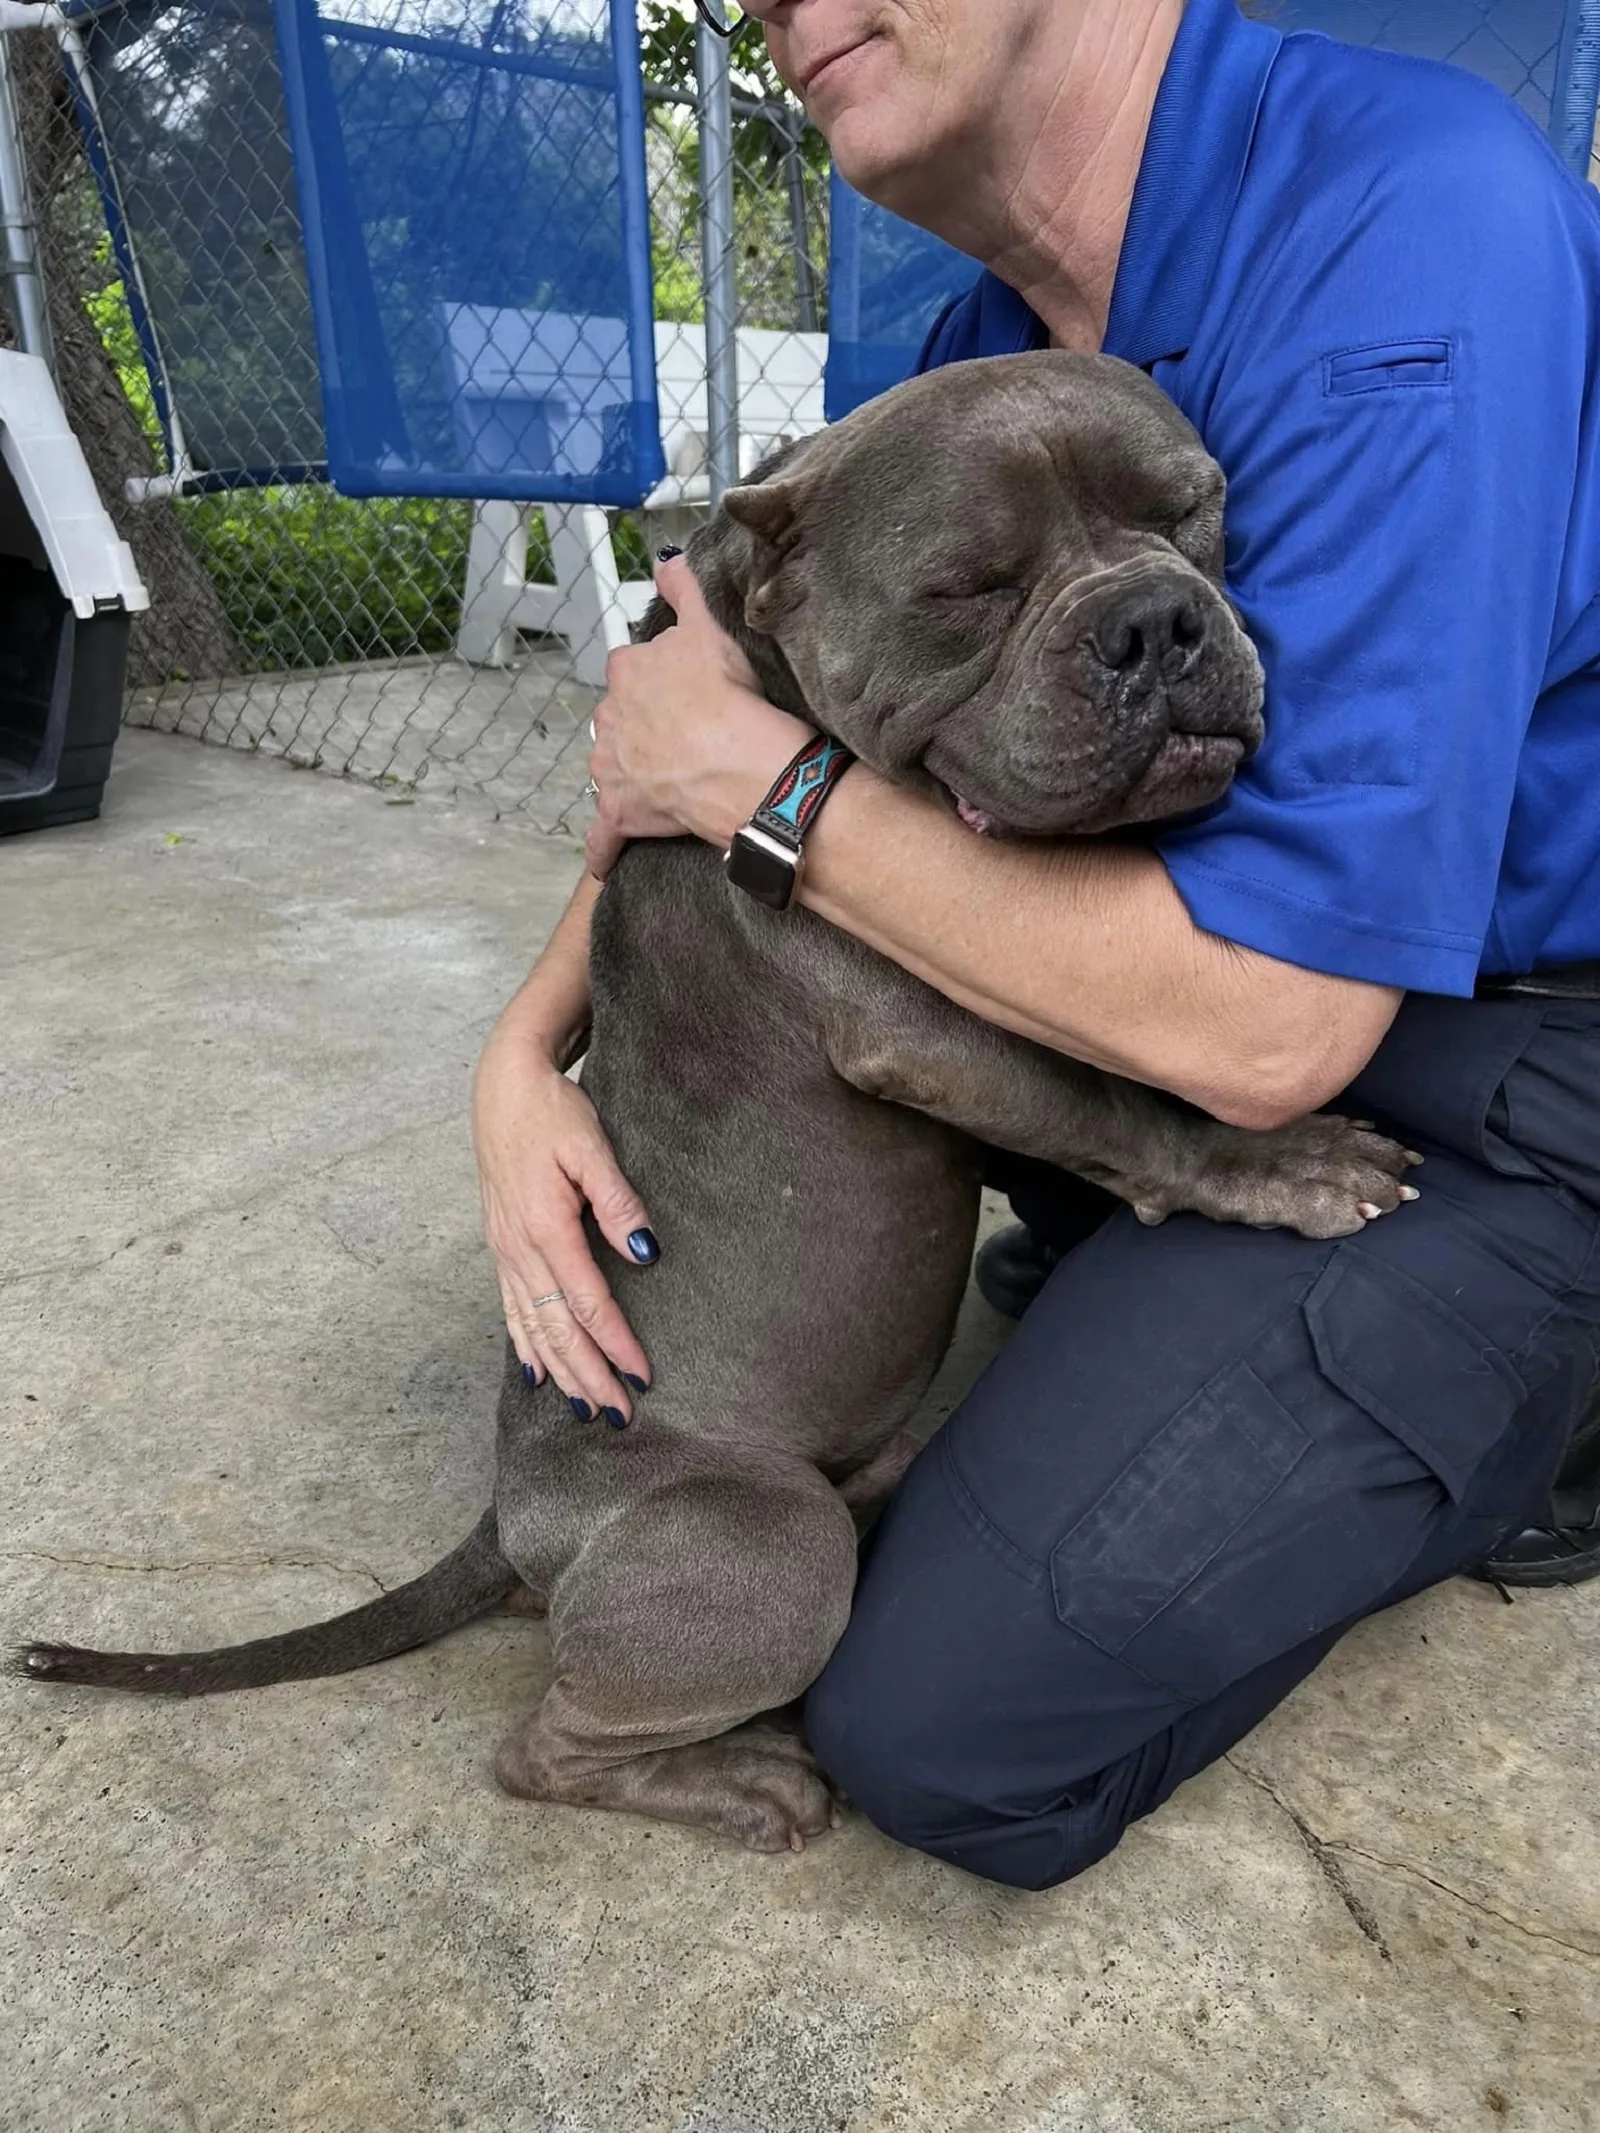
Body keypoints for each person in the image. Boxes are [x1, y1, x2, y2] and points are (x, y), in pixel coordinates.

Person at [472, 0, 1600, 1889]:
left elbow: (1263, 1044)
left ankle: (1552, 1398)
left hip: (1488, 1042)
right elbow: (692, 727)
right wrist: (518, 1054)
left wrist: (781, 793)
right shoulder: (979, 344)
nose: (781, 8)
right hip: (1156, 1008)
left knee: (947, 1737)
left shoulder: (1410, 220)